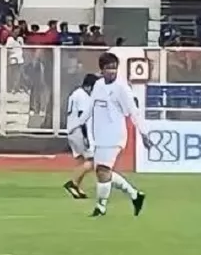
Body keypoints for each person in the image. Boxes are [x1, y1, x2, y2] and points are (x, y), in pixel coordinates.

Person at [71, 52, 151, 217]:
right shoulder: (99, 85)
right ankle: (135, 195)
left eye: (114, 68)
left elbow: (133, 112)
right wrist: (76, 125)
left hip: (114, 135)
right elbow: (89, 108)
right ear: (101, 70)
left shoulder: (122, 88)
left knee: (103, 170)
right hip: (99, 135)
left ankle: (101, 207)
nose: (112, 72)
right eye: (108, 68)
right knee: (102, 171)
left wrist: (144, 133)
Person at [64, 73, 98, 198]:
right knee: (92, 161)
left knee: (81, 161)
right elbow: (83, 118)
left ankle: (77, 187)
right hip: (79, 131)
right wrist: (86, 137)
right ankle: (72, 183)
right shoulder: (83, 97)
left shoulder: (75, 94)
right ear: (88, 87)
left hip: (72, 130)